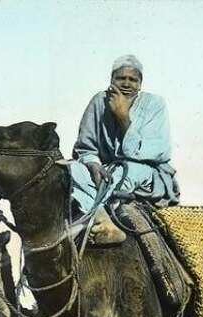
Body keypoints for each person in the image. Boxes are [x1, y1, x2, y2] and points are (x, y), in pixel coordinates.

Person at [70, 54, 179, 244]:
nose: (127, 84)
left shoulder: (155, 104)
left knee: (122, 172)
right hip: (105, 171)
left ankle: (95, 215)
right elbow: (85, 149)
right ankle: (103, 220)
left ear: (140, 83)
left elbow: (157, 151)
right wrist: (93, 165)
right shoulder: (99, 101)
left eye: (133, 80)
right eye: (121, 78)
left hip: (144, 172)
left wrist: (123, 117)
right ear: (111, 80)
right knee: (70, 169)